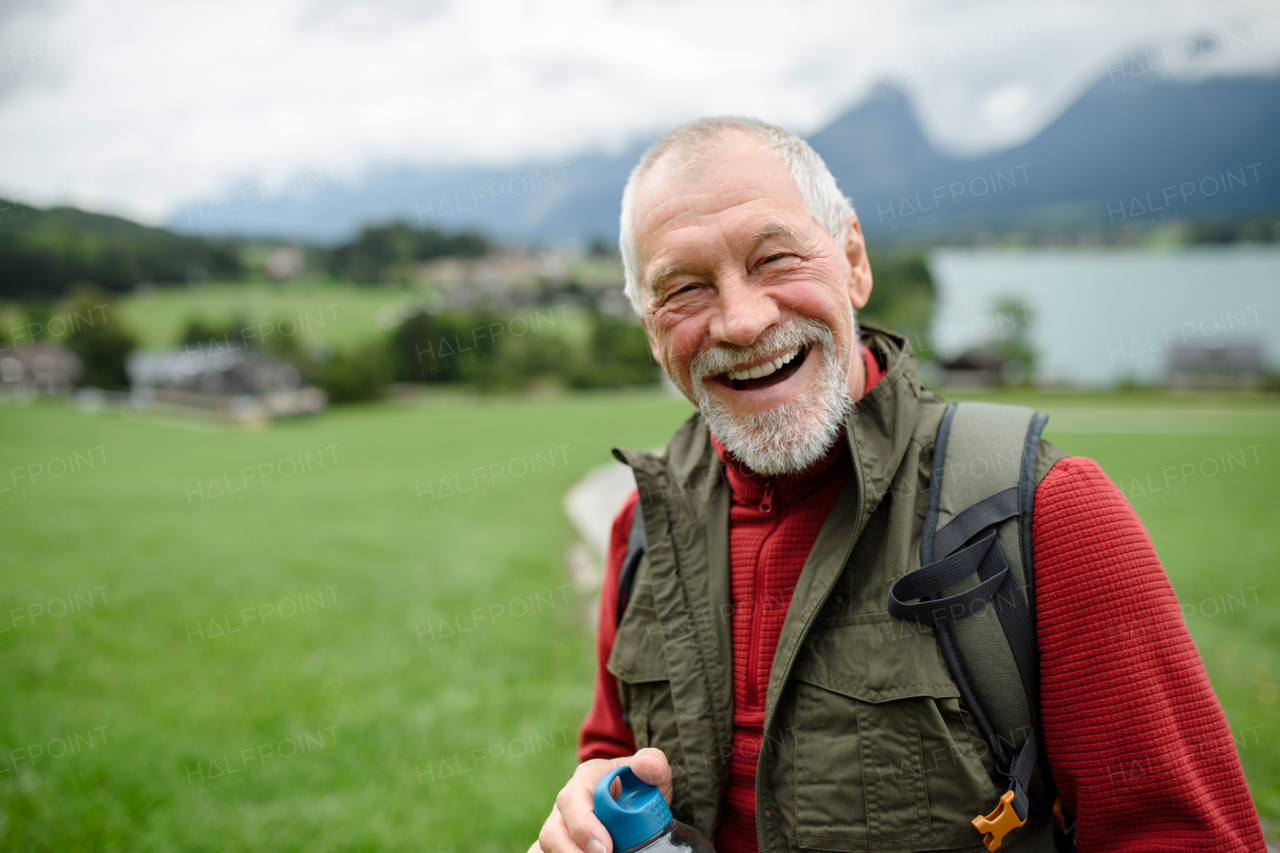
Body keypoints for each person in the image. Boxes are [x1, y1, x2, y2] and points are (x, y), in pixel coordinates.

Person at [533, 117, 1265, 853]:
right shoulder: (644, 528)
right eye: (685, 288)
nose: (744, 319)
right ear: (650, 330)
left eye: (775, 258)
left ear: (853, 260)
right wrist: (589, 797)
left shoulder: (1048, 511)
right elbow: (610, 752)